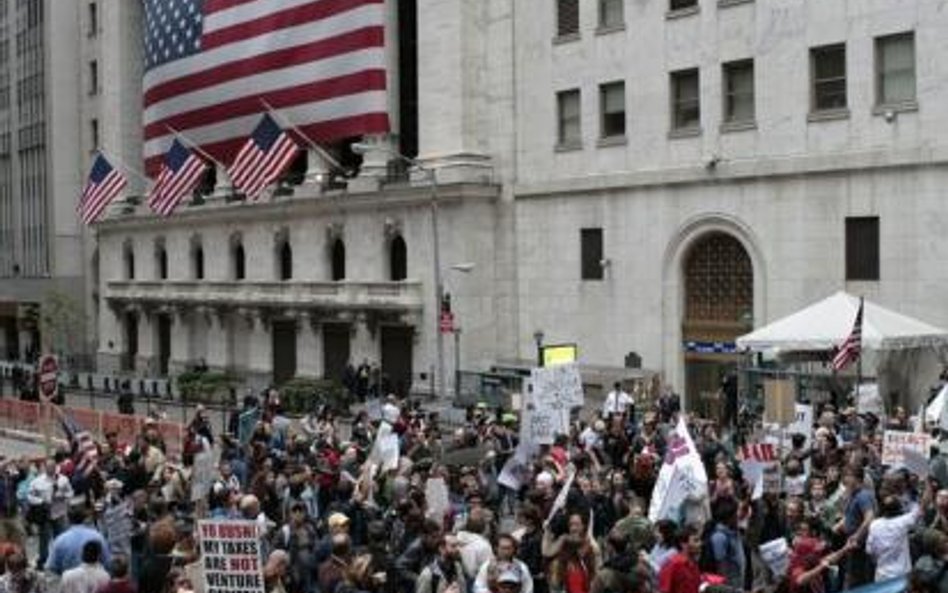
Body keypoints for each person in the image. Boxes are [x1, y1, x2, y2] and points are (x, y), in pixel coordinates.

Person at [866, 491, 926, 580]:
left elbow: (870, 551)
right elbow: (922, 508)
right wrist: (928, 485)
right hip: (901, 575)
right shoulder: (903, 522)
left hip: (881, 575)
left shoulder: (874, 525)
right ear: (899, 509)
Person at [834, 465, 875, 588]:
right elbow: (850, 515)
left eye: (848, 476)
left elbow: (869, 518)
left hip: (859, 545)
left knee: (857, 579)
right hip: (851, 544)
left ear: (857, 479)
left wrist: (857, 535)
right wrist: (840, 524)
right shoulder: (853, 494)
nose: (845, 479)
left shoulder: (863, 495)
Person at [46, 506, 110, 575]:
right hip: (95, 580)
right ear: (85, 519)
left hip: (70, 581)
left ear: (68, 519)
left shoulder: (60, 540)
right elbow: (107, 561)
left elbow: (52, 566)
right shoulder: (97, 537)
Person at [657, 526, 701, 593]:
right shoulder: (673, 565)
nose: (700, 544)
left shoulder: (694, 564)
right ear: (683, 544)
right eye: (696, 540)